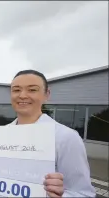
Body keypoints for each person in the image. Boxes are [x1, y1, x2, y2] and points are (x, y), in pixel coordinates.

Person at [8, 69, 95, 197]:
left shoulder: (66, 137)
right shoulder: (2, 134)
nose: (22, 95)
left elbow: (84, 193)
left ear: (46, 95)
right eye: (16, 90)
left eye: (32, 90)